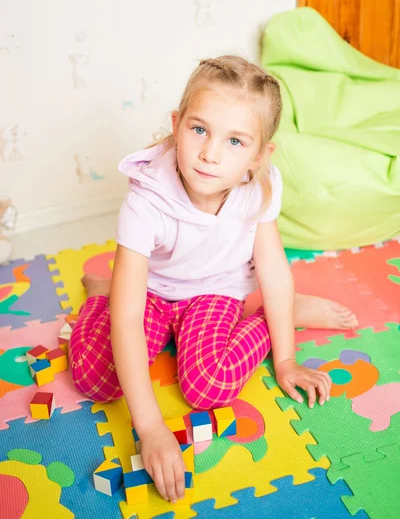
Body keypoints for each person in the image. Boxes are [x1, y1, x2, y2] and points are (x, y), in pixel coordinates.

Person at [70, 55, 358, 504]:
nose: (210, 153)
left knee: (209, 386)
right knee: (95, 380)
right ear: (176, 124)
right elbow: (126, 318)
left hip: (215, 292)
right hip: (148, 291)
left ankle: (269, 318)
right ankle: (101, 291)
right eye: (199, 129)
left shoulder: (258, 186)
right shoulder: (147, 199)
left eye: (236, 141)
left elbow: (274, 271)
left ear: (260, 155)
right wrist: (148, 426)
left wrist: (285, 360)